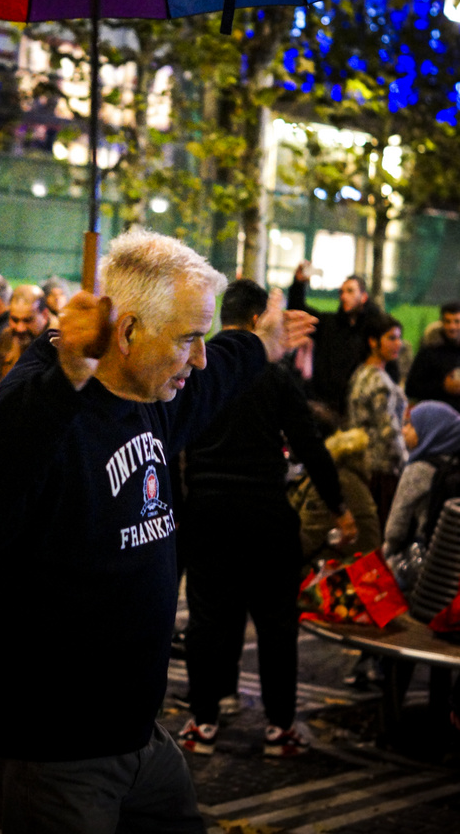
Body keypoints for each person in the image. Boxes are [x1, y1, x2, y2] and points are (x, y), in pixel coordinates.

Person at [0, 229, 315, 834]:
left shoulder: (150, 390)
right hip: (51, 751)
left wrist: (256, 344)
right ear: (129, 332)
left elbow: (215, 378)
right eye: (189, 339)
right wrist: (64, 380)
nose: (200, 357)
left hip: (137, 738)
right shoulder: (40, 403)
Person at [179, 279, 356, 759]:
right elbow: (309, 445)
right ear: (259, 320)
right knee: (277, 624)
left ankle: (203, 721)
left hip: (208, 511)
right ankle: (280, 729)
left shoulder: (197, 364)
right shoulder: (274, 375)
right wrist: (339, 506)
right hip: (264, 512)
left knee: (209, 618)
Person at [287, 264, 384, 416]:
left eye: (350, 291)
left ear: (364, 297)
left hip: (357, 408)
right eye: (341, 292)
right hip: (324, 406)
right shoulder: (329, 324)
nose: (344, 296)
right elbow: (299, 310)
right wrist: (298, 284)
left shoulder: (374, 330)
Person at [383, 401, 460, 588]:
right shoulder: (455, 465)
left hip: (420, 568)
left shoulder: (418, 470)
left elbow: (395, 530)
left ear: (431, 430)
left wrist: (385, 559)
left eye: (411, 425)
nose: (404, 431)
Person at [289, 425, 381, 573]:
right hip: (356, 569)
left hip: (338, 577)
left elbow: (304, 542)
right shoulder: (349, 479)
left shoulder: (335, 485)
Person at [346, 313, 407, 529]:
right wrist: (405, 463)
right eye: (391, 338)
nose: (397, 344)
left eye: (399, 338)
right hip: (382, 471)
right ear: (373, 341)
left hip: (361, 466)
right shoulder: (379, 381)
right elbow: (389, 431)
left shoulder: (360, 373)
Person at [406, 301, 460, 413]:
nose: (452, 327)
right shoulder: (429, 351)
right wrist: (443, 387)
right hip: (437, 416)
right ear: (441, 323)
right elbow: (411, 388)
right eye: (448, 322)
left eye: (457, 322)